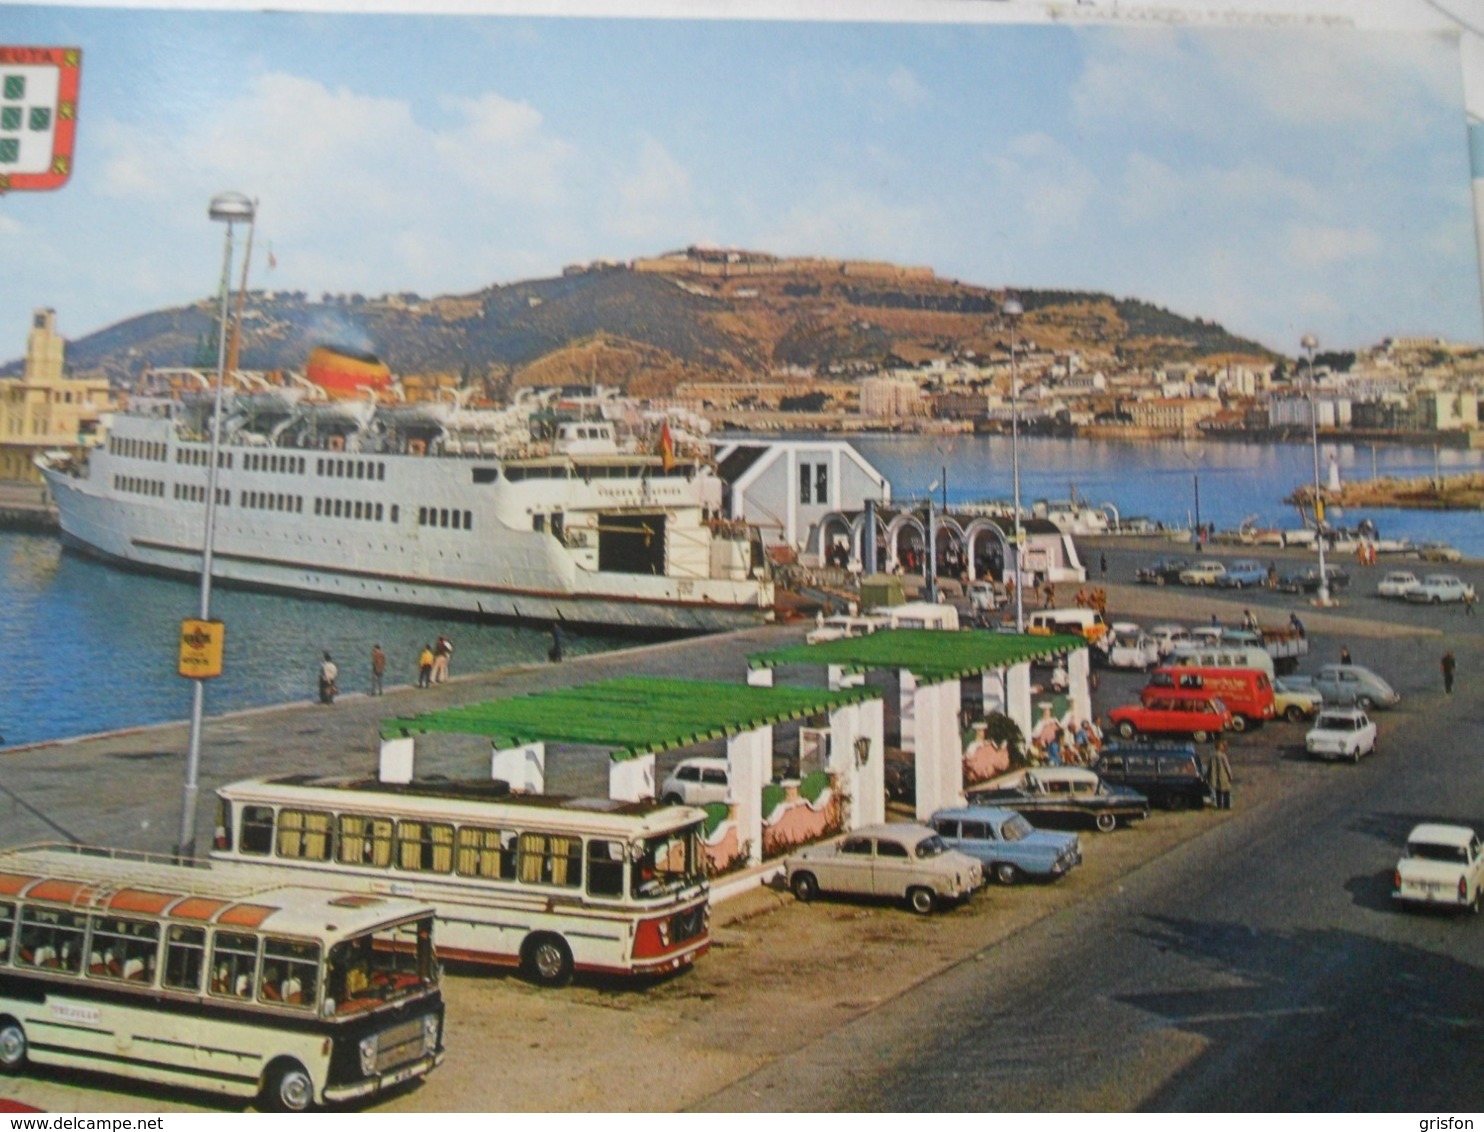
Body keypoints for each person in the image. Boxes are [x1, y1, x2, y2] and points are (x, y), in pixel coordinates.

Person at [1208, 738, 1233, 811]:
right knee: (1226, 791)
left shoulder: (1212, 756)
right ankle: (1226, 806)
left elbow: (1210, 766)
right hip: (1223, 775)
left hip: (1215, 776)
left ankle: (1219, 805)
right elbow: (1227, 766)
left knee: (1218, 791)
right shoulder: (1223, 756)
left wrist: (1208, 775)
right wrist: (1230, 775)